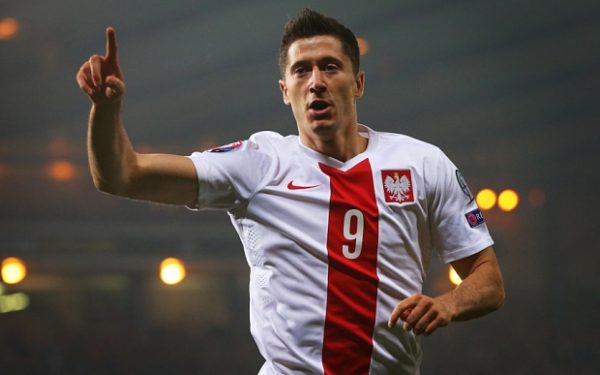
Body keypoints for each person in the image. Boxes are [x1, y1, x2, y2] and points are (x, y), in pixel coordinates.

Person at [76, 8, 504, 375]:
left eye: (330, 67)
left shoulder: (422, 163)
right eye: (301, 70)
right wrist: (106, 109)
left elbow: (487, 279)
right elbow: (121, 176)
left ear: (358, 83)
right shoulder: (258, 164)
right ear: (285, 92)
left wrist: (448, 304)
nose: (315, 81)